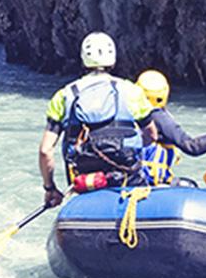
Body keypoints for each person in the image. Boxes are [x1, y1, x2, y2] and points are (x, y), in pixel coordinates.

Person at [38, 31, 154, 206]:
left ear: (83, 59)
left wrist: (50, 188)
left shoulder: (63, 96)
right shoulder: (132, 91)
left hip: (83, 180)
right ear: (113, 60)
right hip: (126, 178)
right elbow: (151, 135)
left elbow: (45, 151)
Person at [131, 69, 206, 186]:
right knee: (191, 185)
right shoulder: (159, 117)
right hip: (153, 182)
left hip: (133, 178)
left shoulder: (130, 114)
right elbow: (192, 146)